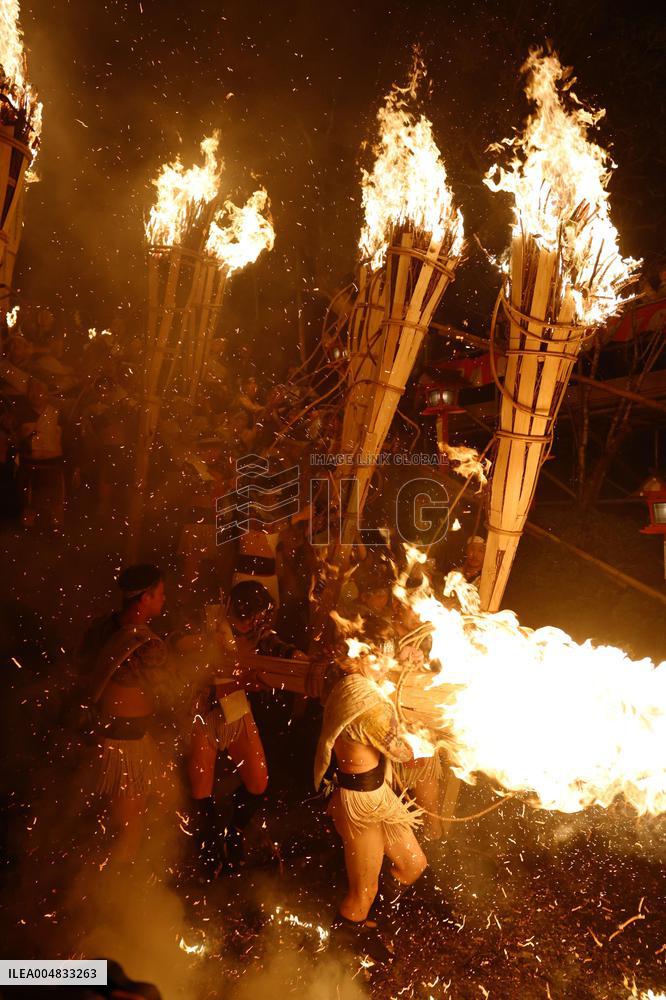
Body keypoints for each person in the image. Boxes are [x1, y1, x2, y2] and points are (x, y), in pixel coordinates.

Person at [187, 580, 305, 874]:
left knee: (258, 783)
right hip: (204, 714)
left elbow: (277, 646)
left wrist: (300, 661)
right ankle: (210, 846)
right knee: (200, 791)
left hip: (236, 711)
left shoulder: (258, 633)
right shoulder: (210, 628)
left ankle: (235, 831)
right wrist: (246, 679)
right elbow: (198, 667)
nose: (262, 620)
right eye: (258, 614)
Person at [81, 565, 173, 862]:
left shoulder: (99, 628)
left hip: (100, 738)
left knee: (132, 819)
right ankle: (114, 897)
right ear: (144, 598)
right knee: (127, 832)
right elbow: (168, 693)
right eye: (159, 593)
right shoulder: (149, 646)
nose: (164, 598)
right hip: (125, 746)